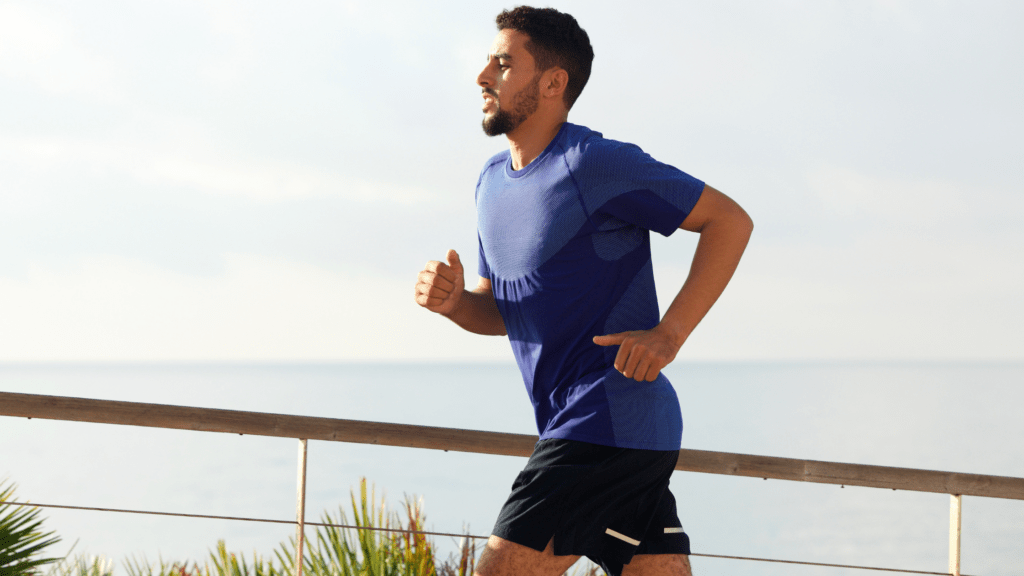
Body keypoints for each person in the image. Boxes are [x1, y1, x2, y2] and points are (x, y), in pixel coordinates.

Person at [414, 7, 753, 576]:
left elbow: (730, 221)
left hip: (608, 414)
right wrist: (452, 304)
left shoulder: (595, 163)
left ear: (553, 83)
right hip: (619, 431)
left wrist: (669, 333)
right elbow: (501, 309)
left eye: (502, 63)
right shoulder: (490, 181)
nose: (482, 76)